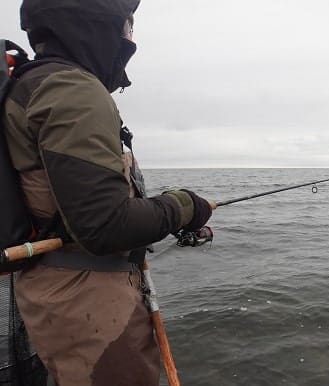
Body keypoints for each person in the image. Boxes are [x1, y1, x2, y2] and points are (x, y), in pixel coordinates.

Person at [1, 0, 214, 385]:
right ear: (93, 25)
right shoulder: (71, 88)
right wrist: (185, 206)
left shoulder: (33, 82)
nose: (129, 38)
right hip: (90, 304)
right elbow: (105, 224)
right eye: (125, 25)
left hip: (54, 293)